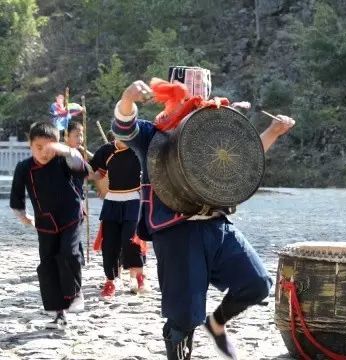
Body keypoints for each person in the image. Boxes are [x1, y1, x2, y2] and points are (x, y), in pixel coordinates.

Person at [111, 71, 295, 359]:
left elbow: (243, 156)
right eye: (185, 98)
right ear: (171, 96)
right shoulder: (153, 135)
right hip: (175, 231)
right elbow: (124, 128)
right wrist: (127, 99)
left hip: (216, 225)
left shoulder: (216, 129)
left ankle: (216, 323)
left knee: (256, 283)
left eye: (200, 99)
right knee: (183, 316)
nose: (194, 103)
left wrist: (273, 131)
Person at [9, 121, 87, 329]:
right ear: (30, 145)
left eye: (49, 147)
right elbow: (17, 195)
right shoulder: (24, 167)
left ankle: (75, 292)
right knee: (48, 266)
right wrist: (22, 215)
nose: (44, 153)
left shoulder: (64, 161)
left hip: (70, 217)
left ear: (58, 144)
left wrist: (67, 151)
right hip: (45, 223)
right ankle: (59, 313)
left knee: (69, 254)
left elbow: (81, 168)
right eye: (39, 147)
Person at [88, 137, 146, 297]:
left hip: (133, 200)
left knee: (131, 241)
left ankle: (140, 277)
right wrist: (82, 171)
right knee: (109, 244)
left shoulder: (139, 149)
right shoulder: (106, 150)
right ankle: (110, 281)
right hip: (112, 201)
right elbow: (98, 173)